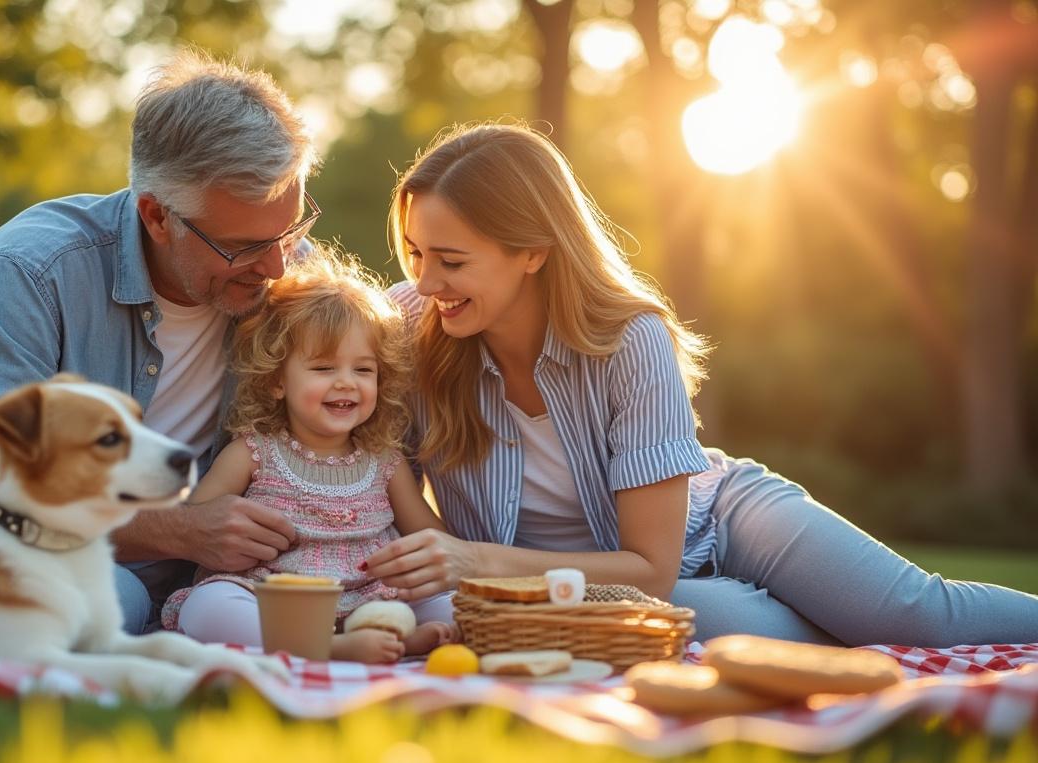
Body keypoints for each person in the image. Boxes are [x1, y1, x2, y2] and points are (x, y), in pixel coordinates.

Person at [365, 122, 1038, 647]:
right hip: (602, 589)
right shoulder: (406, 327)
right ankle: (834, 624)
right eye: (416, 254)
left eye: (452, 261)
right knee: (722, 626)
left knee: (914, 616)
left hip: (716, 522)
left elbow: (648, 567)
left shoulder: (630, 339)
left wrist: (475, 561)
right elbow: (388, 489)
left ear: (533, 251)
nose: (425, 282)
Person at [0, 50, 320, 634]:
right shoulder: (29, 271)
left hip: (149, 581)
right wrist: (177, 529)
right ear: (157, 217)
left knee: (108, 598)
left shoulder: (295, 275)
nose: (276, 267)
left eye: (290, 231)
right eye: (242, 247)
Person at [160, 251, 457, 662]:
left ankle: (384, 638)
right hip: (273, 597)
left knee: (454, 604)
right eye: (323, 368)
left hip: (371, 598)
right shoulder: (254, 451)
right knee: (208, 607)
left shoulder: (385, 461)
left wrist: (439, 573)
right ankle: (332, 648)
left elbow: (432, 540)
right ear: (277, 380)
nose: (346, 383)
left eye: (363, 370)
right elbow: (197, 520)